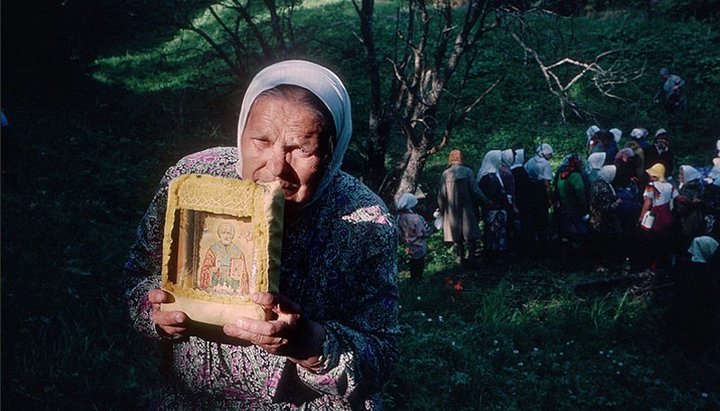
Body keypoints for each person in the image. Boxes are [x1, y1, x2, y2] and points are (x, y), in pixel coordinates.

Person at [123, 60, 400, 409]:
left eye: (301, 149)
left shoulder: (368, 221)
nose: (275, 168)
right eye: (261, 141)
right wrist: (155, 313)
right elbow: (137, 275)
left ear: (332, 152)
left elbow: (382, 354)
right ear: (241, 132)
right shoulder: (194, 178)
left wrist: (310, 345)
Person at [438, 149, 485, 264]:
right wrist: (486, 201)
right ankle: (472, 257)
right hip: (467, 206)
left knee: (456, 234)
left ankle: (460, 256)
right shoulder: (468, 171)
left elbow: (441, 194)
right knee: (470, 233)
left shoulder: (445, 174)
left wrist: (442, 209)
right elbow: (475, 190)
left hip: (451, 208)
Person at [638, 163, 679, 273]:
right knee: (665, 240)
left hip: (656, 216)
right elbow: (678, 198)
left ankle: (652, 264)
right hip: (667, 215)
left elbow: (647, 203)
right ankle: (665, 263)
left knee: (652, 241)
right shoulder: (670, 185)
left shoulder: (651, 186)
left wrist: (641, 217)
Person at [199, 222, 250, 294]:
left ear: (232, 236)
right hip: (215, 287)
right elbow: (205, 269)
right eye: (223, 233)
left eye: (229, 233)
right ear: (219, 235)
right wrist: (214, 269)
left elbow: (244, 274)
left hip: (232, 288)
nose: (226, 236)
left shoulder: (238, 252)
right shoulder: (213, 250)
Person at [477, 150, 510, 262]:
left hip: (489, 209)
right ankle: (496, 257)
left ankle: (491, 255)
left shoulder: (485, 174)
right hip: (496, 209)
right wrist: (505, 199)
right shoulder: (491, 177)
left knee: (491, 233)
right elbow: (497, 193)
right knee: (496, 234)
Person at [589, 165, 622, 272]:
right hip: (602, 221)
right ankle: (601, 265)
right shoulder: (603, 188)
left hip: (595, 219)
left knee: (598, 243)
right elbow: (604, 207)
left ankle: (600, 263)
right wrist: (616, 204)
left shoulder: (597, 183)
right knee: (602, 244)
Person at [524, 143, 554, 253]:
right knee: (542, 221)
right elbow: (547, 183)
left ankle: (531, 245)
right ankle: (543, 247)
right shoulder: (545, 164)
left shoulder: (530, 161)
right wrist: (549, 199)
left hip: (530, 193)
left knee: (532, 220)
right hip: (540, 194)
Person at [555, 154, 588, 248]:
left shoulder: (562, 174)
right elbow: (580, 194)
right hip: (574, 207)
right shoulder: (576, 176)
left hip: (563, 206)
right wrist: (584, 210)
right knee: (576, 231)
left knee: (566, 229)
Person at [395, 193, 429, 281]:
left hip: (408, 245)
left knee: (413, 264)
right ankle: (418, 280)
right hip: (419, 245)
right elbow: (421, 233)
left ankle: (413, 280)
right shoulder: (416, 218)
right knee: (419, 264)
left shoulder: (399, 217)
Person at [674, 165, 706, 253]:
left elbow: (681, 208)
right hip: (698, 220)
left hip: (687, 222)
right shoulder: (699, 187)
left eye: (681, 175)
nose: (679, 176)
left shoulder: (685, 190)